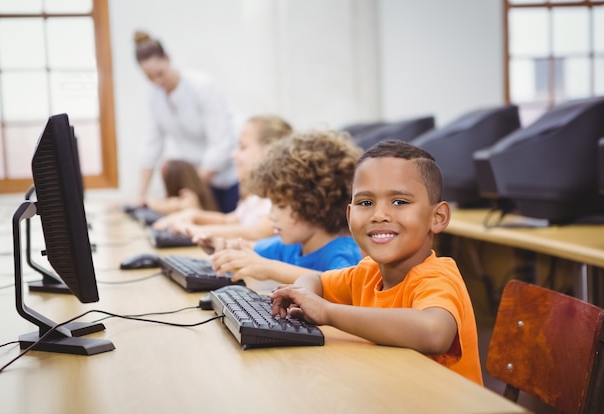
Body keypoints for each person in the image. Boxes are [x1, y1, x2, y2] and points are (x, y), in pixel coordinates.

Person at [270, 140, 483, 385]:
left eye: (399, 202)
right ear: (350, 216)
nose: (379, 215)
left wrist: (325, 311)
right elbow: (315, 279)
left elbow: (434, 333)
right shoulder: (368, 273)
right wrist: (302, 296)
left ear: (437, 217)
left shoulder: (438, 277)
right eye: (366, 203)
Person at [210, 130, 364, 291]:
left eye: (281, 206)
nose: (271, 215)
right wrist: (226, 246)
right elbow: (250, 249)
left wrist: (270, 268)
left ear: (318, 204)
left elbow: (344, 288)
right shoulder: (291, 245)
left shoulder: (342, 252)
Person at [133, 30, 240, 213]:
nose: (157, 81)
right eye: (150, 77)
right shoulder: (155, 97)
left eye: (160, 73)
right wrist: (140, 197)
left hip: (226, 177)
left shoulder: (202, 86)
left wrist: (194, 187)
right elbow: (151, 146)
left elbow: (221, 143)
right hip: (199, 179)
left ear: (168, 59)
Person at [152, 115, 293, 244]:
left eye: (242, 147)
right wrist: (193, 215)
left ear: (269, 152)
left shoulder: (278, 200)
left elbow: (256, 233)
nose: (233, 155)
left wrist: (194, 230)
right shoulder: (255, 198)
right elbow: (227, 220)